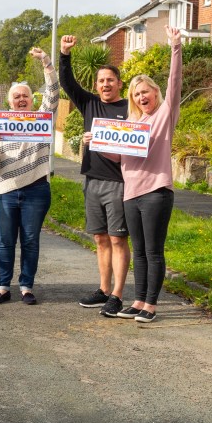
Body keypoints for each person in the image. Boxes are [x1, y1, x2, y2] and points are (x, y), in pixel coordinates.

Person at [97, 26, 182, 323]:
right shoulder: (134, 124)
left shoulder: (164, 115)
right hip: (131, 194)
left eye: (145, 91)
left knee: (154, 251)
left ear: (155, 92)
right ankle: (137, 301)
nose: (141, 96)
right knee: (140, 252)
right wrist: (96, 145)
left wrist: (175, 47)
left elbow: (175, 83)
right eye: (136, 93)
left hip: (156, 191)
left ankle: (151, 306)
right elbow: (120, 157)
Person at [59, 33, 131, 317]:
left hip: (119, 183)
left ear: (119, 84)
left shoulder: (130, 108)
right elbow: (67, 83)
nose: (105, 84)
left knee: (117, 239)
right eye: (101, 81)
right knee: (100, 239)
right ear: (96, 85)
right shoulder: (90, 104)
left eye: (110, 80)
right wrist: (65, 55)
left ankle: (118, 294)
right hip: (92, 181)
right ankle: (103, 289)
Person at [0, 47, 60, 305]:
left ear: (32, 99)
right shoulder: (1, 125)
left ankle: (26, 286)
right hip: (6, 189)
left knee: (30, 241)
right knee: (5, 242)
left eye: (25, 96)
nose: (21, 100)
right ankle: (3, 286)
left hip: (37, 189)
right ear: (10, 102)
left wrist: (46, 62)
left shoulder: (42, 119)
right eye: (16, 97)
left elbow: (53, 92)